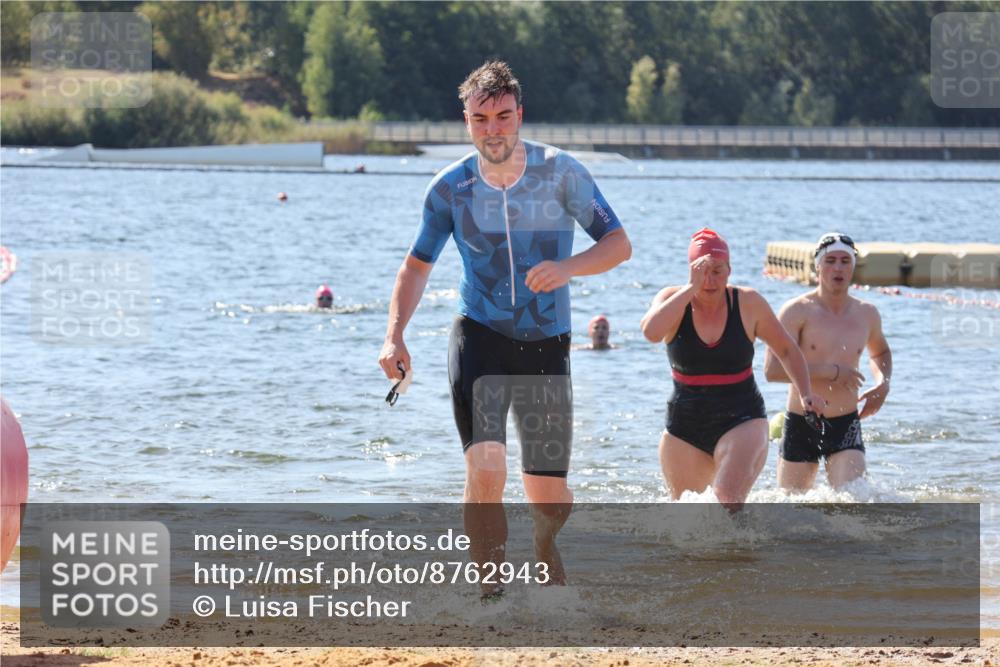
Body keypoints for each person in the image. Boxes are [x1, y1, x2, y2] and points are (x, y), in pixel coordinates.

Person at [377, 61, 631, 594]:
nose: (493, 129)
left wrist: (566, 269)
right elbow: (416, 266)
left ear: (520, 115)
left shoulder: (562, 172)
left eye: (503, 116)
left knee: (548, 497)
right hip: (480, 337)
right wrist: (394, 333)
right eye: (481, 118)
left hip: (547, 342)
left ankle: (543, 544)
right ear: (466, 121)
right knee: (487, 470)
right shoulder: (450, 189)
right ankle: (490, 594)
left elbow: (617, 245)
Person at [640, 229, 824, 509]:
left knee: (726, 501)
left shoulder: (748, 303)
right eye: (703, 271)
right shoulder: (672, 298)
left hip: (742, 418)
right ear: (690, 271)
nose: (710, 280)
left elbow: (786, 349)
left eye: (718, 270)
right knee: (687, 518)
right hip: (684, 425)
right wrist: (691, 288)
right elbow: (651, 332)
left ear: (729, 269)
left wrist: (806, 393)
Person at [764, 232, 892, 491]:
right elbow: (772, 370)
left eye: (845, 261)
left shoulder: (867, 313)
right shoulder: (796, 311)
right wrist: (831, 372)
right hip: (802, 422)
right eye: (831, 260)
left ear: (853, 267)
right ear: (818, 265)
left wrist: (883, 384)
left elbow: (880, 353)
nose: (838, 267)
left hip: (846, 423)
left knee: (853, 505)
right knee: (792, 513)